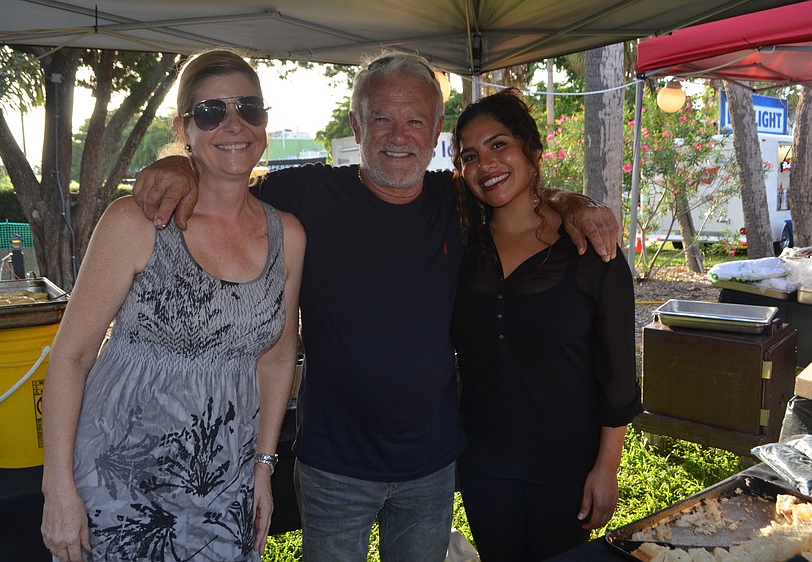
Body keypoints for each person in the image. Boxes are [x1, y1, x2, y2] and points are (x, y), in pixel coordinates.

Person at [131, 53, 620, 561]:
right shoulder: (307, 194)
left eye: (415, 121)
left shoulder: (455, 202)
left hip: (431, 465)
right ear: (357, 125)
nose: (398, 135)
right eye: (382, 118)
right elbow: (224, 175)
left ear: (435, 135)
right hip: (334, 465)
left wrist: (573, 202)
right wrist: (179, 164)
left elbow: (519, 188)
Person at [40, 49, 306, 562]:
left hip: (222, 481)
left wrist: (263, 467)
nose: (234, 123)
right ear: (184, 127)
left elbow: (276, 358)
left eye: (249, 107)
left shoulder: (287, 235)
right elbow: (70, 357)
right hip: (117, 481)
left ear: (265, 123)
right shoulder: (138, 222)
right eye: (211, 112)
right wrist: (58, 489)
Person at [449, 88, 643, 561]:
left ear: (532, 151)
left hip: (566, 467)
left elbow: (618, 374)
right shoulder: (458, 244)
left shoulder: (592, 252)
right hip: (482, 465)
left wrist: (607, 468)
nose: (486, 164)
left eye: (499, 145)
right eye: (469, 156)